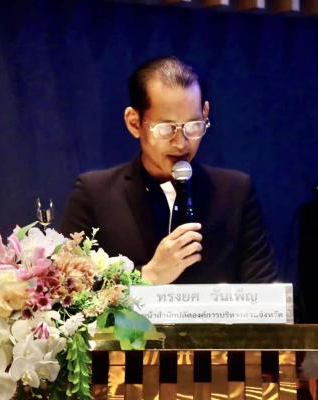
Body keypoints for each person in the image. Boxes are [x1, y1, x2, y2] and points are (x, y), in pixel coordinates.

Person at [60, 56, 278, 285]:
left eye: (193, 126)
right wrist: (148, 276)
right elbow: (65, 290)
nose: (181, 143)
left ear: (205, 113)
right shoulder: (95, 194)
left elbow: (264, 289)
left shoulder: (235, 192)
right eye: (166, 128)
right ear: (134, 122)